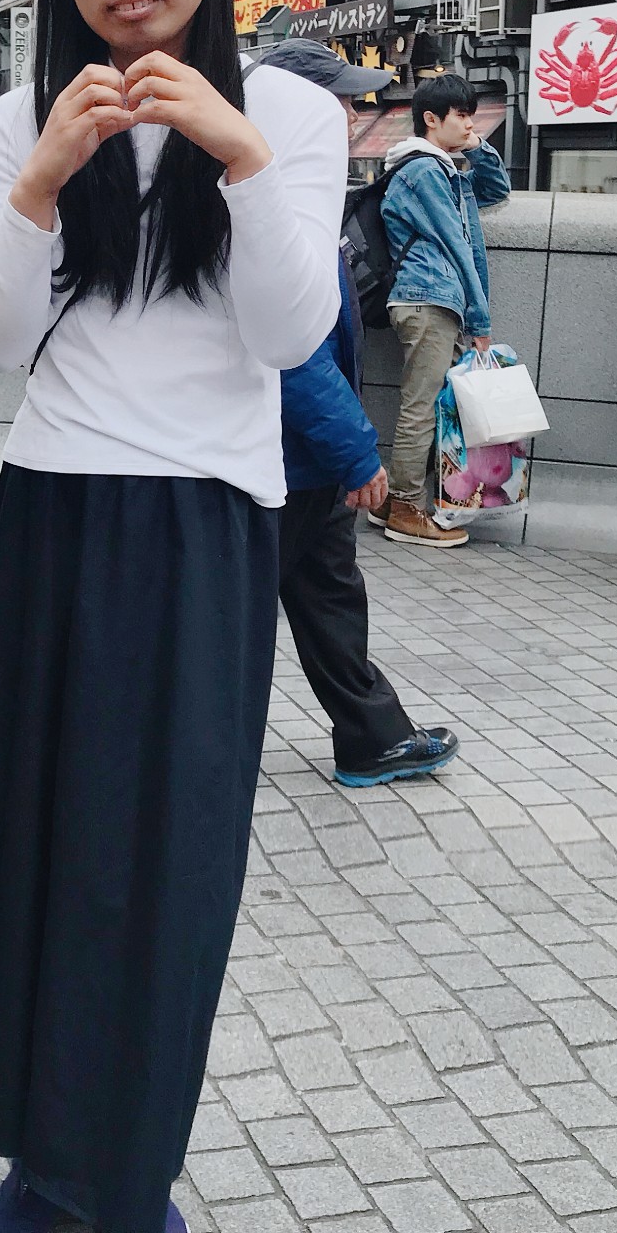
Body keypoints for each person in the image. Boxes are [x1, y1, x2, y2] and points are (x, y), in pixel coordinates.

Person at [0, 0, 346, 1233]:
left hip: (210, 519)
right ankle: (32, 1156)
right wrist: (34, 187)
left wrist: (233, 155)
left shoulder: (290, 110)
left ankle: (131, 1161)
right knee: (29, 840)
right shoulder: (32, 114)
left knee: (167, 857)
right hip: (57, 512)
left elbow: (286, 337)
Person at [255, 41, 460, 788]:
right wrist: (354, 453)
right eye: (337, 99)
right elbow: (291, 353)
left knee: (328, 596)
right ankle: (176, 745)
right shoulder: (261, 200)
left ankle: (373, 736)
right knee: (232, 618)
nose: (352, 113)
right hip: (279, 459)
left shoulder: (302, 190)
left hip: (302, 459)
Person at [376, 72, 511, 547]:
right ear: (431, 119)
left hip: (429, 299)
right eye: (462, 116)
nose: (471, 123)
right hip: (427, 297)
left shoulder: (441, 168)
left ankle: (397, 501)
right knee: (422, 407)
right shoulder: (425, 171)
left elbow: (496, 190)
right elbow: (456, 246)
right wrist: (480, 320)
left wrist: (475, 147)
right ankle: (407, 508)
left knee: (425, 403)